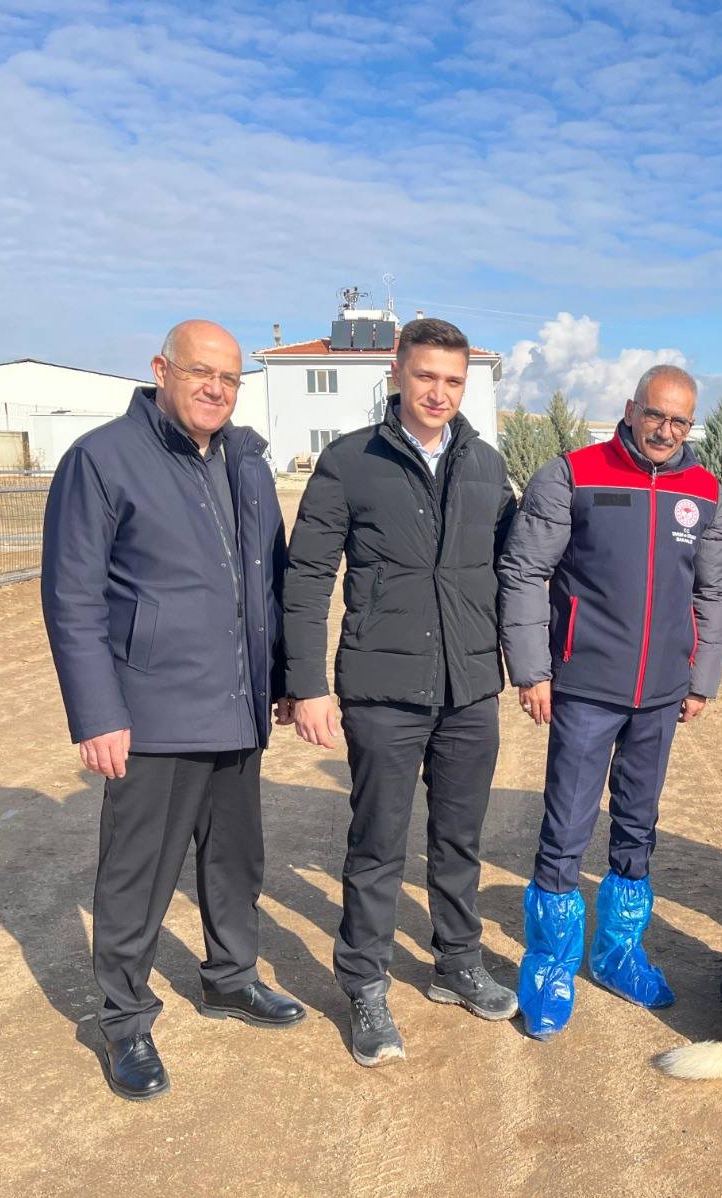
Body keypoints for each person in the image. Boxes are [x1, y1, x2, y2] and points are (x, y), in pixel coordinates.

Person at [42, 320, 303, 1102]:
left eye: (228, 377)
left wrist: (284, 676)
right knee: (138, 871)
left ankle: (230, 977)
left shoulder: (247, 465)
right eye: (200, 373)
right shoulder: (103, 460)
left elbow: (272, 580)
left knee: (235, 859)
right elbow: (72, 597)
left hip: (238, 702)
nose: (216, 388)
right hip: (151, 711)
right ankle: (124, 1020)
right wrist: (97, 712)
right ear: (161, 368)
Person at [282, 317, 517, 1067]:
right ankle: (365, 984)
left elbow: (515, 573)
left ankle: (456, 962)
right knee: (377, 843)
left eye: (452, 380)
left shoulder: (486, 465)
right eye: (426, 377)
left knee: (460, 840)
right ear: (397, 373)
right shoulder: (350, 463)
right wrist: (307, 684)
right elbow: (309, 577)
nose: (439, 392)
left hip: (471, 687)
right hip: (383, 688)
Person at [498, 364, 722, 1040]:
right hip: (583, 687)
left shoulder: (706, 493)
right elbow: (525, 570)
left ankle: (618, 952)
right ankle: (549, 966)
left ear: (693, 425)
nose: (665, 431)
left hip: (660, 694)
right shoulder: (572, 474)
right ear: (630, 409)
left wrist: (700, 678)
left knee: (637, 825)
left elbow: (712, 593)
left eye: (680, 421)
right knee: (567, 827)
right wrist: (532, 669)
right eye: (655, 415)